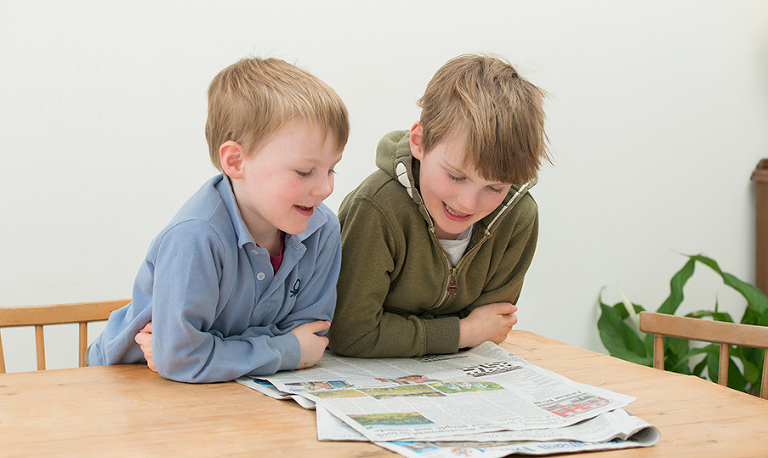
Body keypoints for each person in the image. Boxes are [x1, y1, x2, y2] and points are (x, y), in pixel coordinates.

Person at [87, 57, 349, 383]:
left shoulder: (322, 229)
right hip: (123, 379)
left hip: (222, 384)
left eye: (332, 168)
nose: (325, 188)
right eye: (304, 171)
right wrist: (284, 348)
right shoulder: (195, 237)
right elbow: (182, 358)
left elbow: (310, 338)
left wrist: (205, 351)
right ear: (235, 161)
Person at [327, 54, 549, 358]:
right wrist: (464, 331)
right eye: (456, 176)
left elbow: (493, 327)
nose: (468, 203)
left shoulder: (518, 216)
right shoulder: (377, 207)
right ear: (419, 142)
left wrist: (404, 332)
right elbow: (351, 332)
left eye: (495, 187)